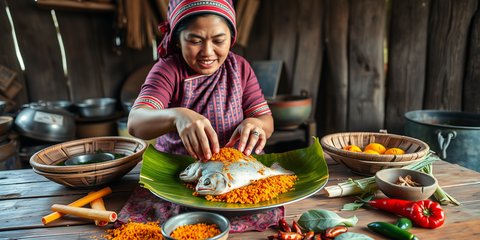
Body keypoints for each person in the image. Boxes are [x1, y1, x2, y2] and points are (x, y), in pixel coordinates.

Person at [128, 0, 273, 161]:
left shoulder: (239, 68)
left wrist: (255, 124)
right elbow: (136, 123)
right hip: (182, 168)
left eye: (218, 41)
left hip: (238, 166)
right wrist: (177, 116)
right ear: (177, 40)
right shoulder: (168, 70)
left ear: (231, 38)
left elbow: (266, 122)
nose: (207, 52)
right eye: (195, 41)